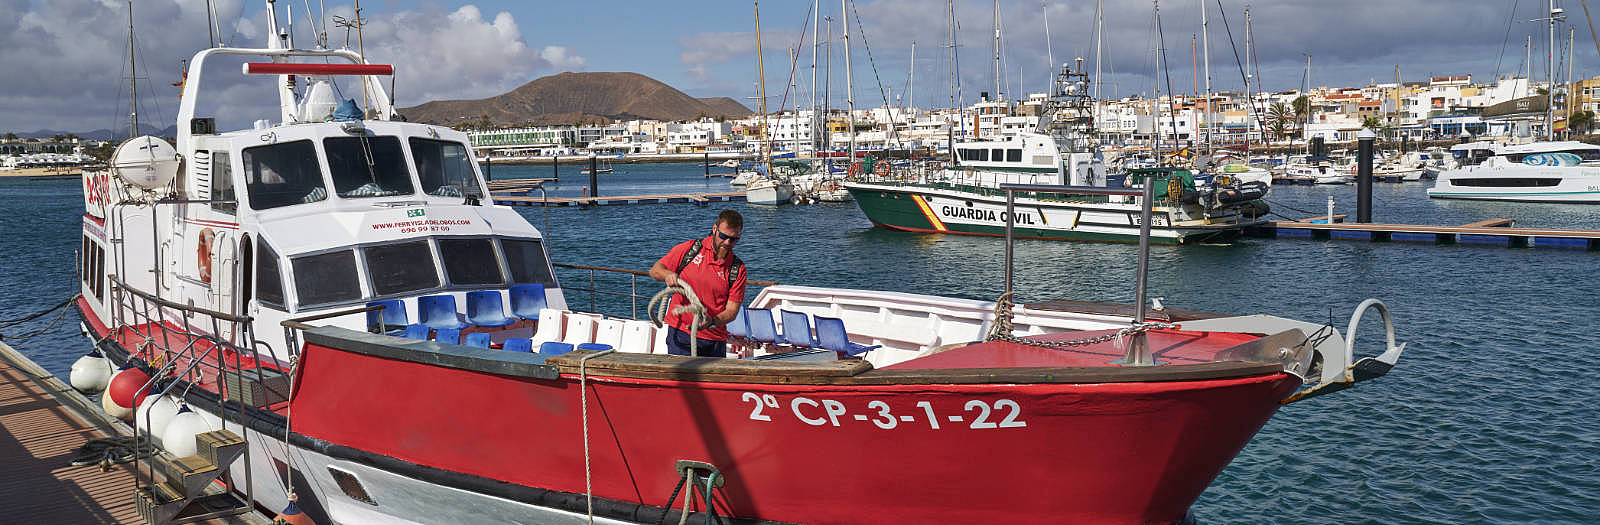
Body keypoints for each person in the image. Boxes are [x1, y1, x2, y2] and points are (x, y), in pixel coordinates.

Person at [648, 210, 747, 358]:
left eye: (733, 239)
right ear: (714, 229)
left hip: (715, 341)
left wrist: (712, 321)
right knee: (683, 380)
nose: (727, 243)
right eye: (723, 237)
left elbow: (732, 311)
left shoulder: (737, 269)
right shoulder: (690, 250)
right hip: (681, 334)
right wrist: (667, 274)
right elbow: (655, 270)